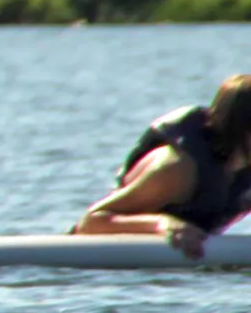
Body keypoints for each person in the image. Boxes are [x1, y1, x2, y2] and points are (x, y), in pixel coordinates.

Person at [74, 73, 251, 259]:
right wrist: (161, 224)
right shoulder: (176, 170)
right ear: (242, 128)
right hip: (104, 268)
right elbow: (91, 222)